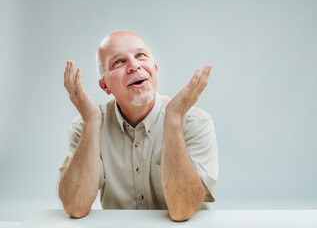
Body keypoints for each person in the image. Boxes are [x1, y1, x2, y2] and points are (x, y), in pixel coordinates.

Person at [58, 31, 218, 221]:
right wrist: (91, 122)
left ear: (155, 70)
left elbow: (182, 210)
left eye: (140, 55)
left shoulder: (195, 122)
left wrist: (173, 119)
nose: (134, 66)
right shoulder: (86, 125)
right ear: (105, 86)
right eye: (118, 62)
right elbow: (75, 207)